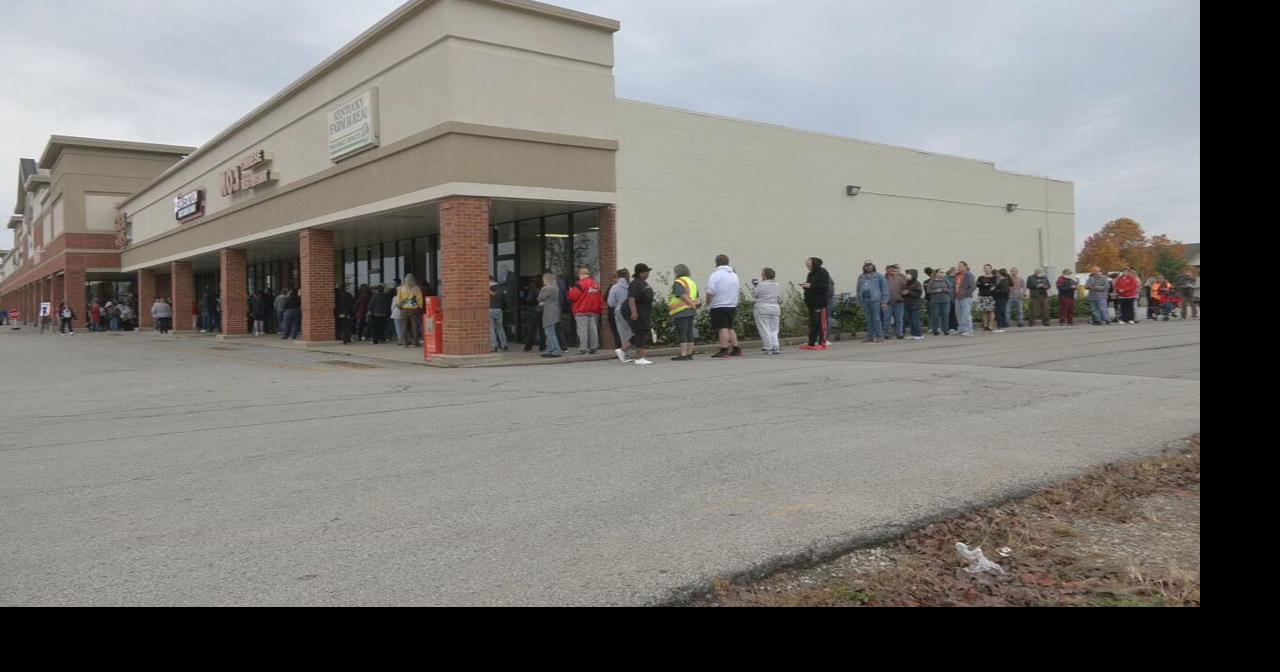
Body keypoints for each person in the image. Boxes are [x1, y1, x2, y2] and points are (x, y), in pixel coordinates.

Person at [706, 255, 742, 358]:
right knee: (730, 327)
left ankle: (724, 349)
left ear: (716, 262)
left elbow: (710, 291)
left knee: (722, 328)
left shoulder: (715, 275)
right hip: (732, 304)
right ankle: (736, 348)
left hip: (719, 305)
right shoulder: (734, 275)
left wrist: (708, 303)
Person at [621, 263, 655, 366]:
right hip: (637, 311)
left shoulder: (643, 283)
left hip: (644, 311)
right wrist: (634, 312)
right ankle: (639, 357)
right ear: (641, 273)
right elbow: (632, 298)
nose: (648, 273)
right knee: (641, 332)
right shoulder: (635, 284)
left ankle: (622, 350)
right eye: (647, 271)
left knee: (641, 332)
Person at [568, 267, 605, 356]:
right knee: (593, 330)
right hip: (593, 311)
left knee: (582, 330)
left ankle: (583, 348)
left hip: (581, 310)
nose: (579, 277)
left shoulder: (580, 284)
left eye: (579, 275)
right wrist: (599, 309)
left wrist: (570, 292)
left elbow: (572, 296)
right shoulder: (595, 284)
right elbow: (600, 299)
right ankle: (594, 347)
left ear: (582, 274)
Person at [668, 264, 701, 361]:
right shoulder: (691, 282)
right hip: (691, 311)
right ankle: (689, 353)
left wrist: (691, 304)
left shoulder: (678, 282)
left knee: (682, 332)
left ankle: (683, 354)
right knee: (689, 332)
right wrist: (694, 304)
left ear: (677, 272)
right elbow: (697, 298)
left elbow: (682, 295)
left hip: (681, 310)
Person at [800, 257, 832, 350]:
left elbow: (823, 286)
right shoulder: (810, 274)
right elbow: (811, 285)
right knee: (812, 324)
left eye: (809, 265)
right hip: (811, 302)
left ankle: (823, 343)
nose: (808, 268)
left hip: (820, 302)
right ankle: (811, 343)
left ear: (814, 264)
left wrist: (810, 285)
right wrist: (805, 286)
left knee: (821, 323)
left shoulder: (822, 272)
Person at [857, 261, 889, 343]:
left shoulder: (878, 276)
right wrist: (859, 299)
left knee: (876, 318)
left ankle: (880, 336)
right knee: (868, 319)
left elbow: (884, 289)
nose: (868, 267)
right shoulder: (861, 276)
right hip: (865, 300)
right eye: (866, 266)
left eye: (869, 266)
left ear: (873, 266)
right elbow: (858, 289)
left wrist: (884, 301)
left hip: (875, 300)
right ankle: (870, 336)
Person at [753, 268, 782, 355]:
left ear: (764, 275)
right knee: (774, 329)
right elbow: (779, 297)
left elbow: (755, 295)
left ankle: (768, 347)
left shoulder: (761, 285)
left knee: (764, 328)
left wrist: (755, 286)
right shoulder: (777, 285)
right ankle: (775, 346)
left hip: (763, 307)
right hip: (775, 307)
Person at [537, 272, 564, 358]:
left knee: (550, 332)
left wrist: (542, 289)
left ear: (547, 279)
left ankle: (556, 350)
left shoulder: (549, 288)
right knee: (549, 332)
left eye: (544, 279)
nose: (543, 281)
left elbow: (539, 298)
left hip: (550, 312)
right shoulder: (555, 288)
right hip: (553, 311)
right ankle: (550, 350)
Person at [606, 269, 631, 353]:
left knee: (622, 333)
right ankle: (629, 349)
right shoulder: (631, 286)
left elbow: (610, 303)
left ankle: (624, 352)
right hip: (631, 311)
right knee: (630, 332)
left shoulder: (615, 287)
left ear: (618, 276)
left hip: (619, 311)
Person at [396, 275, 425, 348]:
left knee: (404, 326)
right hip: (413, 309)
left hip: (404, 309)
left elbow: (399, 298)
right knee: (414, 326)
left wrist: (400, 306)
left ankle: (405, 342)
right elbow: (419, 299)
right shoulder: (416, 288)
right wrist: (420, 306)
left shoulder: (402, 288)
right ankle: (415, 342)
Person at [926, 269, 952, 336]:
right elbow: (928, 291)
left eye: (943, 272)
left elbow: (951, 289)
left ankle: (946, 330)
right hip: (935, 301)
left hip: (945, 301)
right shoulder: (932, 281)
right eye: (941, 272)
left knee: (945, 316)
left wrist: (945, 290)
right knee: (935, 316)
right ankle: (935, 330)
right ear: (937, 273)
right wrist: (936, 291)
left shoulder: (946, 280)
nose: (942, 274)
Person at [885, 264, 907, 339]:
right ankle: (887, 334)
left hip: (898, 302)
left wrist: (904, 292)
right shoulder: (882, 279)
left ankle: (899, 333)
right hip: (887, 303)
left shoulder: (900, 279)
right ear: (887, 270)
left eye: (894, 270)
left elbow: (905, 288)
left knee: (899, 319)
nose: (892, 271)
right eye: (890, 269)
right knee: (887, 319)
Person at [954, 262, 976, 336]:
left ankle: (969, 330)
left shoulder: (969, 275)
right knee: (959, 314)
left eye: (961, 266)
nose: (959, 267)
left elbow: (973, 286)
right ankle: (961, 329)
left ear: (965, 266)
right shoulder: (957, 275)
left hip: (966, 298)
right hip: (957, 297)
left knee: (966, 314)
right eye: (958, 266)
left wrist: (966, 294)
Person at [489, 275, 509, 353]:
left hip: (490, 309)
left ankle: (494, 346)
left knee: (491, 329)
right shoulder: (500, 287)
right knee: (500, 328)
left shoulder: (485, 287)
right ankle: (504, 345)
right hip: (499, 309)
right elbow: (504, 299)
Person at [902, 269, 924, 340]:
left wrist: (909, 292)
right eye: (907, 274)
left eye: (909, 274)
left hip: (915, 305)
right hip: (908, 304)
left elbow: (918, 293)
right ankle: (913, 333)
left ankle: (919, 334)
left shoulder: (917, 283)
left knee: (915, 320)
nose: (907, 275)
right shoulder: (907, 283)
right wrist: (903, 293)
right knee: (911, 320)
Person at [977, 264, 997, 332]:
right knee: (984, 311)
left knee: (991, 311)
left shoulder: (994, 277)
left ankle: (990, 325)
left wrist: (984, 285)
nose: (986, 269)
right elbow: (978, 284)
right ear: (983, 269)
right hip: (982, 296)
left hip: (990, 296)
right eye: (985, 268)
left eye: (988, 268)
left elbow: (993, 286)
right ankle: (985, 325)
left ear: (990, 269)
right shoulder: (980, 277)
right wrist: (986, 285)